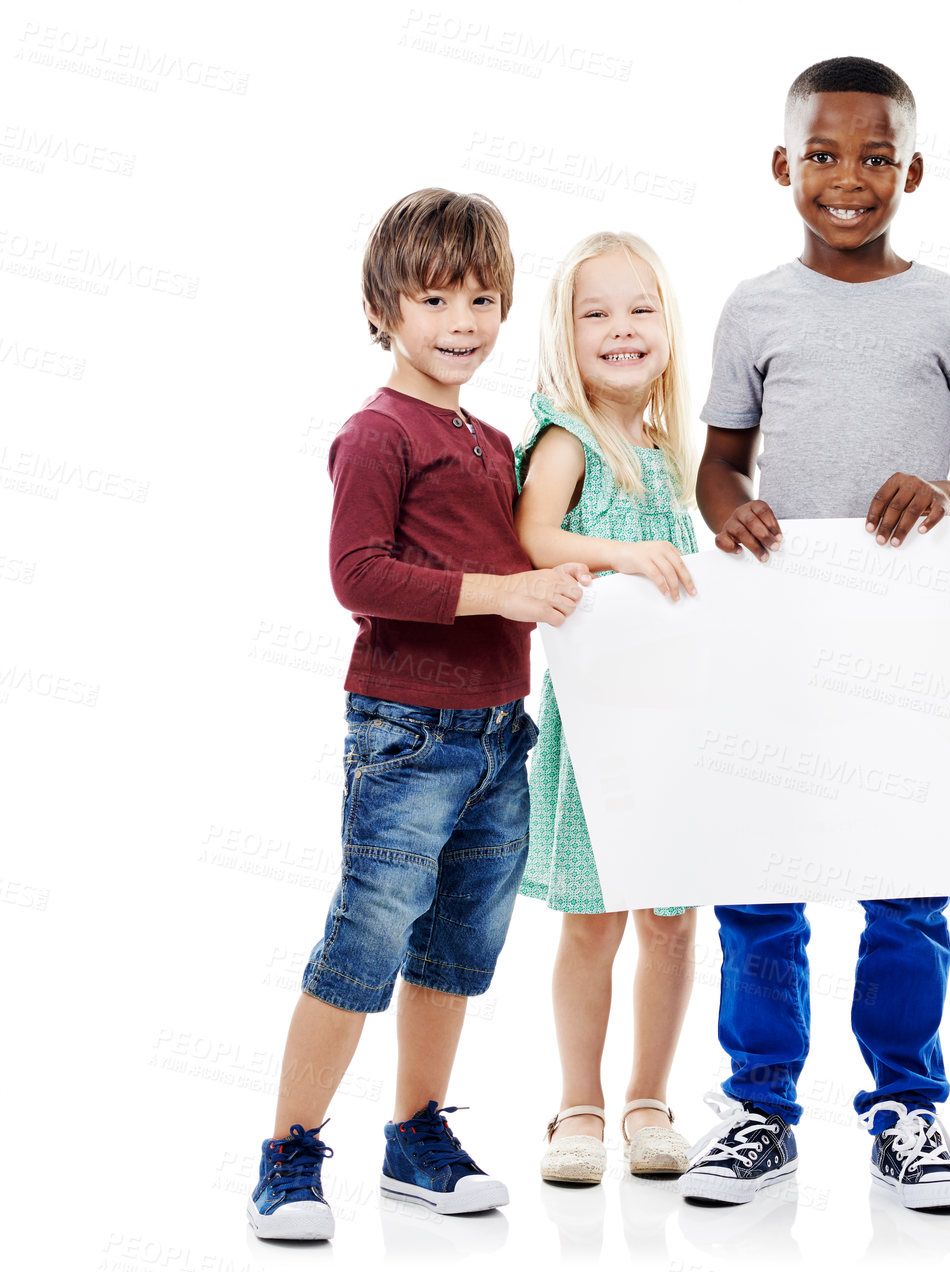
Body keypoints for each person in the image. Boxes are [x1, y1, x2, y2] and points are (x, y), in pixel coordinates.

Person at [679, 56, 950, 1212]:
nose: (847, 178)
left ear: (910, 170)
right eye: (821, 155)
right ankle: (759, 1110)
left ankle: (906, 1109)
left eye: (874, 157)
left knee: (904, 885)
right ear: (783, 166)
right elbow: (719, 462)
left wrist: (945, 493)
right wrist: (730, 508)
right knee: (761, 877)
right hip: (774, 629)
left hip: (909, 640)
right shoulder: (753, 308)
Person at [245, 188, 591, 1240]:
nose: (462, 323)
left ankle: (416, 1133)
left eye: (484, 299)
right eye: (435, 298)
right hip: (407, 736)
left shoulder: (495, 438)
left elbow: (537, 552)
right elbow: (358, 576)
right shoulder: (376, 434)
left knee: (453, 952)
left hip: (499, 734)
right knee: (364, 941)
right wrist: (504, 595)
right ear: (383, 309)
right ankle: (289, 1155)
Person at [514, 232, 700, 1186]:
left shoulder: (672, 450)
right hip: (597, 726)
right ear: (567, 333)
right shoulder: (568, 439)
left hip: (675, 724)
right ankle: (577, 1105)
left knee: (671, 917)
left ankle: (649, 1101)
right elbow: (534, 535)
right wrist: (620, 557)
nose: (621, 329)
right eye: (597, 314)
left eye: (640, 310)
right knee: (592, 917)